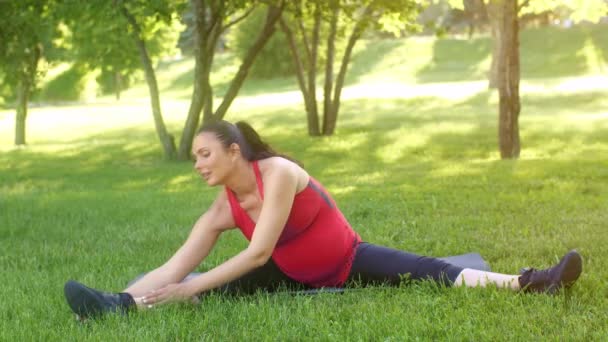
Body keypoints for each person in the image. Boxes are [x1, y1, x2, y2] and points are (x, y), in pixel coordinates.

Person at [64, 120, 583, 319]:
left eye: (203, 154)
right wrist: (131, 294)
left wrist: (185, 285)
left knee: (431, 270)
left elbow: (258, 252)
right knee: (197, 287)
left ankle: (532, 282)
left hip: (348, 261)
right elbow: (177, 264)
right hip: (288, 275)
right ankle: (120, 308)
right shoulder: (221, 209)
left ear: (234, 151)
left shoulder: (281, 174)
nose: (197, 164)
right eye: (194, 158)